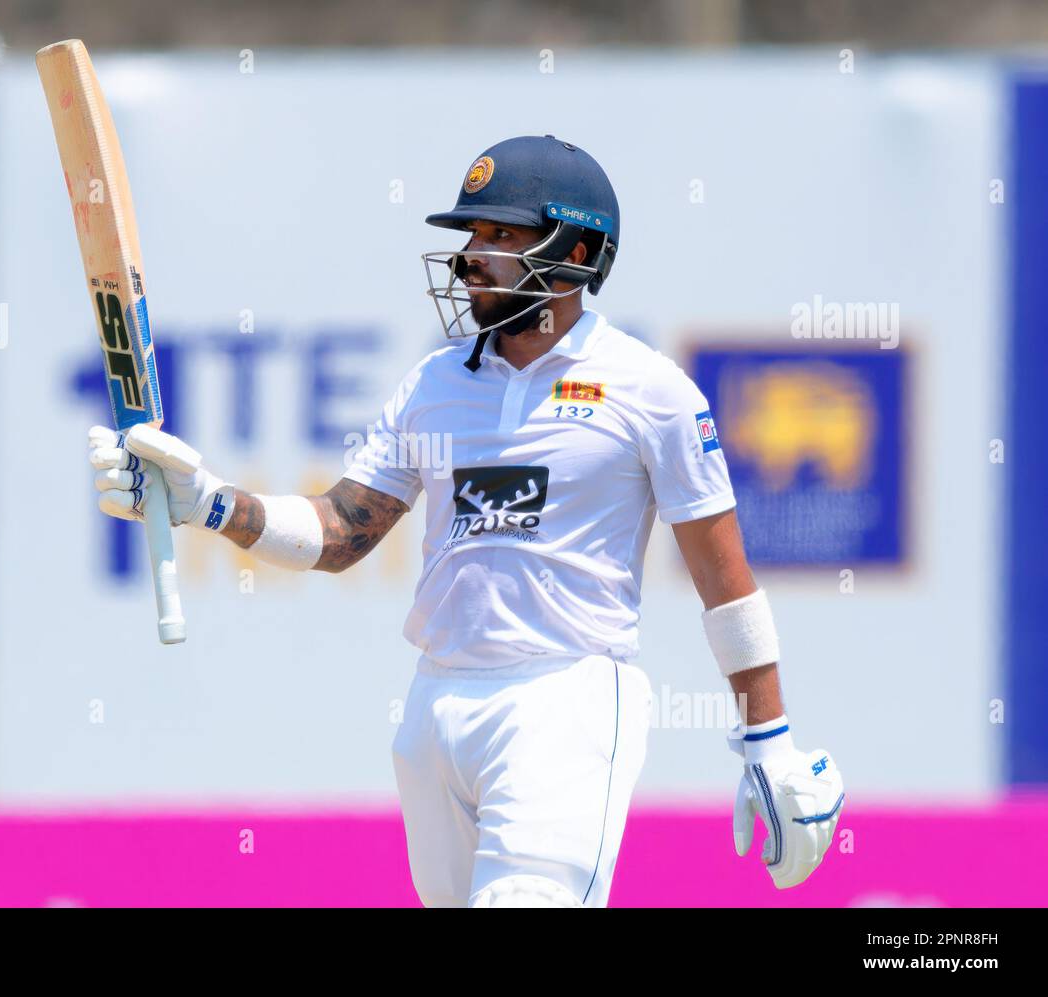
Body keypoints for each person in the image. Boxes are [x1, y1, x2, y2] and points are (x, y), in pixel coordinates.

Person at [87, 135, 845, 908]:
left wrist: (769, 738)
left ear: (577, 251)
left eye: (500, 236)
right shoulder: (435, 384)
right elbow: (340, 531)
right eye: (471, 236)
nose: (471, 257)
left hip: (566, 699)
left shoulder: (652, 389)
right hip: (436, 707)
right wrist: (209, 501)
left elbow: (726, 583)